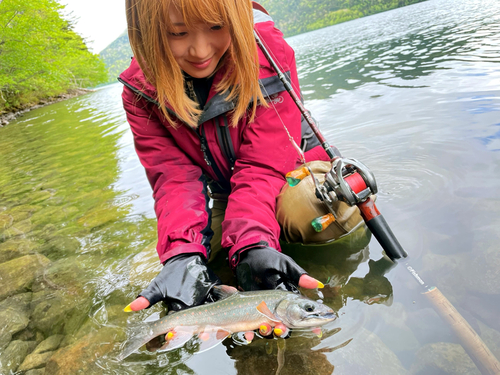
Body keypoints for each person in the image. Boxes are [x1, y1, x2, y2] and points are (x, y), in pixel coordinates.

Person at [119, 0, 362, 319]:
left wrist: (251, 243)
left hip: (295, 172)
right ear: (147, 34)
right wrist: (181, 256)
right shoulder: (140, 91)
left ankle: (269, 247)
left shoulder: (269, 54)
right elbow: (174, 178)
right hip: (227, 191)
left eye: (217, 27)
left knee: (303, 211)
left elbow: (263, 165)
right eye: (177, 33)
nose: (200, 50)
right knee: (191, 263)